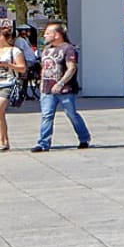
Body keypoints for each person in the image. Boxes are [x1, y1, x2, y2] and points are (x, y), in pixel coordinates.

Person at [31, 22, 91, 152]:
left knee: (71, 114)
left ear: (57, 35)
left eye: (48, 33)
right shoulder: (46, 50)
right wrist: (41, 85)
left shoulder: (68, 49)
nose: (45, 36)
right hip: (47, 89)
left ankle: (84, 138)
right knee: (47, 115)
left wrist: (61, 83)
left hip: (65, 90)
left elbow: (72, 68)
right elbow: (44, 69)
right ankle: (43, 143)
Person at [0, 22, 27, 151]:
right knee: (0, 113)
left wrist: (8, 65)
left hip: (8, 83)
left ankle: (3, 140)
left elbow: (22, 68)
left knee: (0, 109)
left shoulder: (15, 51)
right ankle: (4, 140)